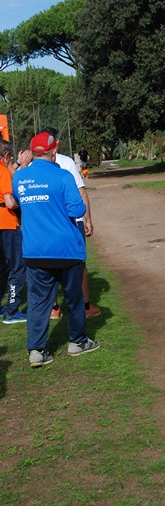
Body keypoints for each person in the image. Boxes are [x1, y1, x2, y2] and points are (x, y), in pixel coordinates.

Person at [12, 131, 100, 367]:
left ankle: (37, 351)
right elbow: (76, 210)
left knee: (38, 302)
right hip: (66, 249)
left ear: (32, 151)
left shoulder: (20, 178)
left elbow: (17, 203)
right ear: (55, 149)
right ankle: (78, 341)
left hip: (34, 251)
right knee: (73, 298)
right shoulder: (62, 176)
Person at [39, 127, 101, 320]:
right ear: (55, 144)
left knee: (49, 265)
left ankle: (54, 308)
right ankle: (84, 306)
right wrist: (88, 219)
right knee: (79, 262)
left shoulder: (34, 166)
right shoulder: (66, 162)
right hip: (72, 222)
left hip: (46, 223)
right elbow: (81, 191)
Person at [0, 140, 31, 324]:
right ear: (5, 156)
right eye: (10, 159)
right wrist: (25, 202)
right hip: (8, 224)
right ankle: (12, 311)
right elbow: (10, 201)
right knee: (17, 266)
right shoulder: (2, 171)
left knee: (2, 267)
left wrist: (19, 165)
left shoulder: (5, 170)